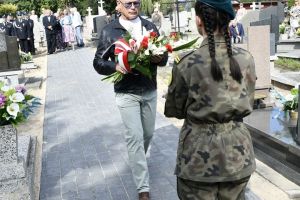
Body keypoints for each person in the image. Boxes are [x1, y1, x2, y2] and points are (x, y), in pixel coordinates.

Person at [164, 0, 256, 199]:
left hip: (198, 157)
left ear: (199, 20)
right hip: (238, 154)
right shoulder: (246, 58)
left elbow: (174, 110)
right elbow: (249, 101)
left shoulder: (186, 62)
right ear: (226, 20)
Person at [93, 0, 168, 199]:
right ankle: (143, 188)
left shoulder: (150, 27)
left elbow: (164, 57)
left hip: (149, 89)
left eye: (137, 3)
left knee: (148, 134)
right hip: (126, 92)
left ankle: (137, 161)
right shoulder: (110, 31)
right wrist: (115, 67)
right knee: (134, 137)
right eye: (128, 3)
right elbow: (98, 61)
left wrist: (159, 58)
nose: (133, 7)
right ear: (118, 5)